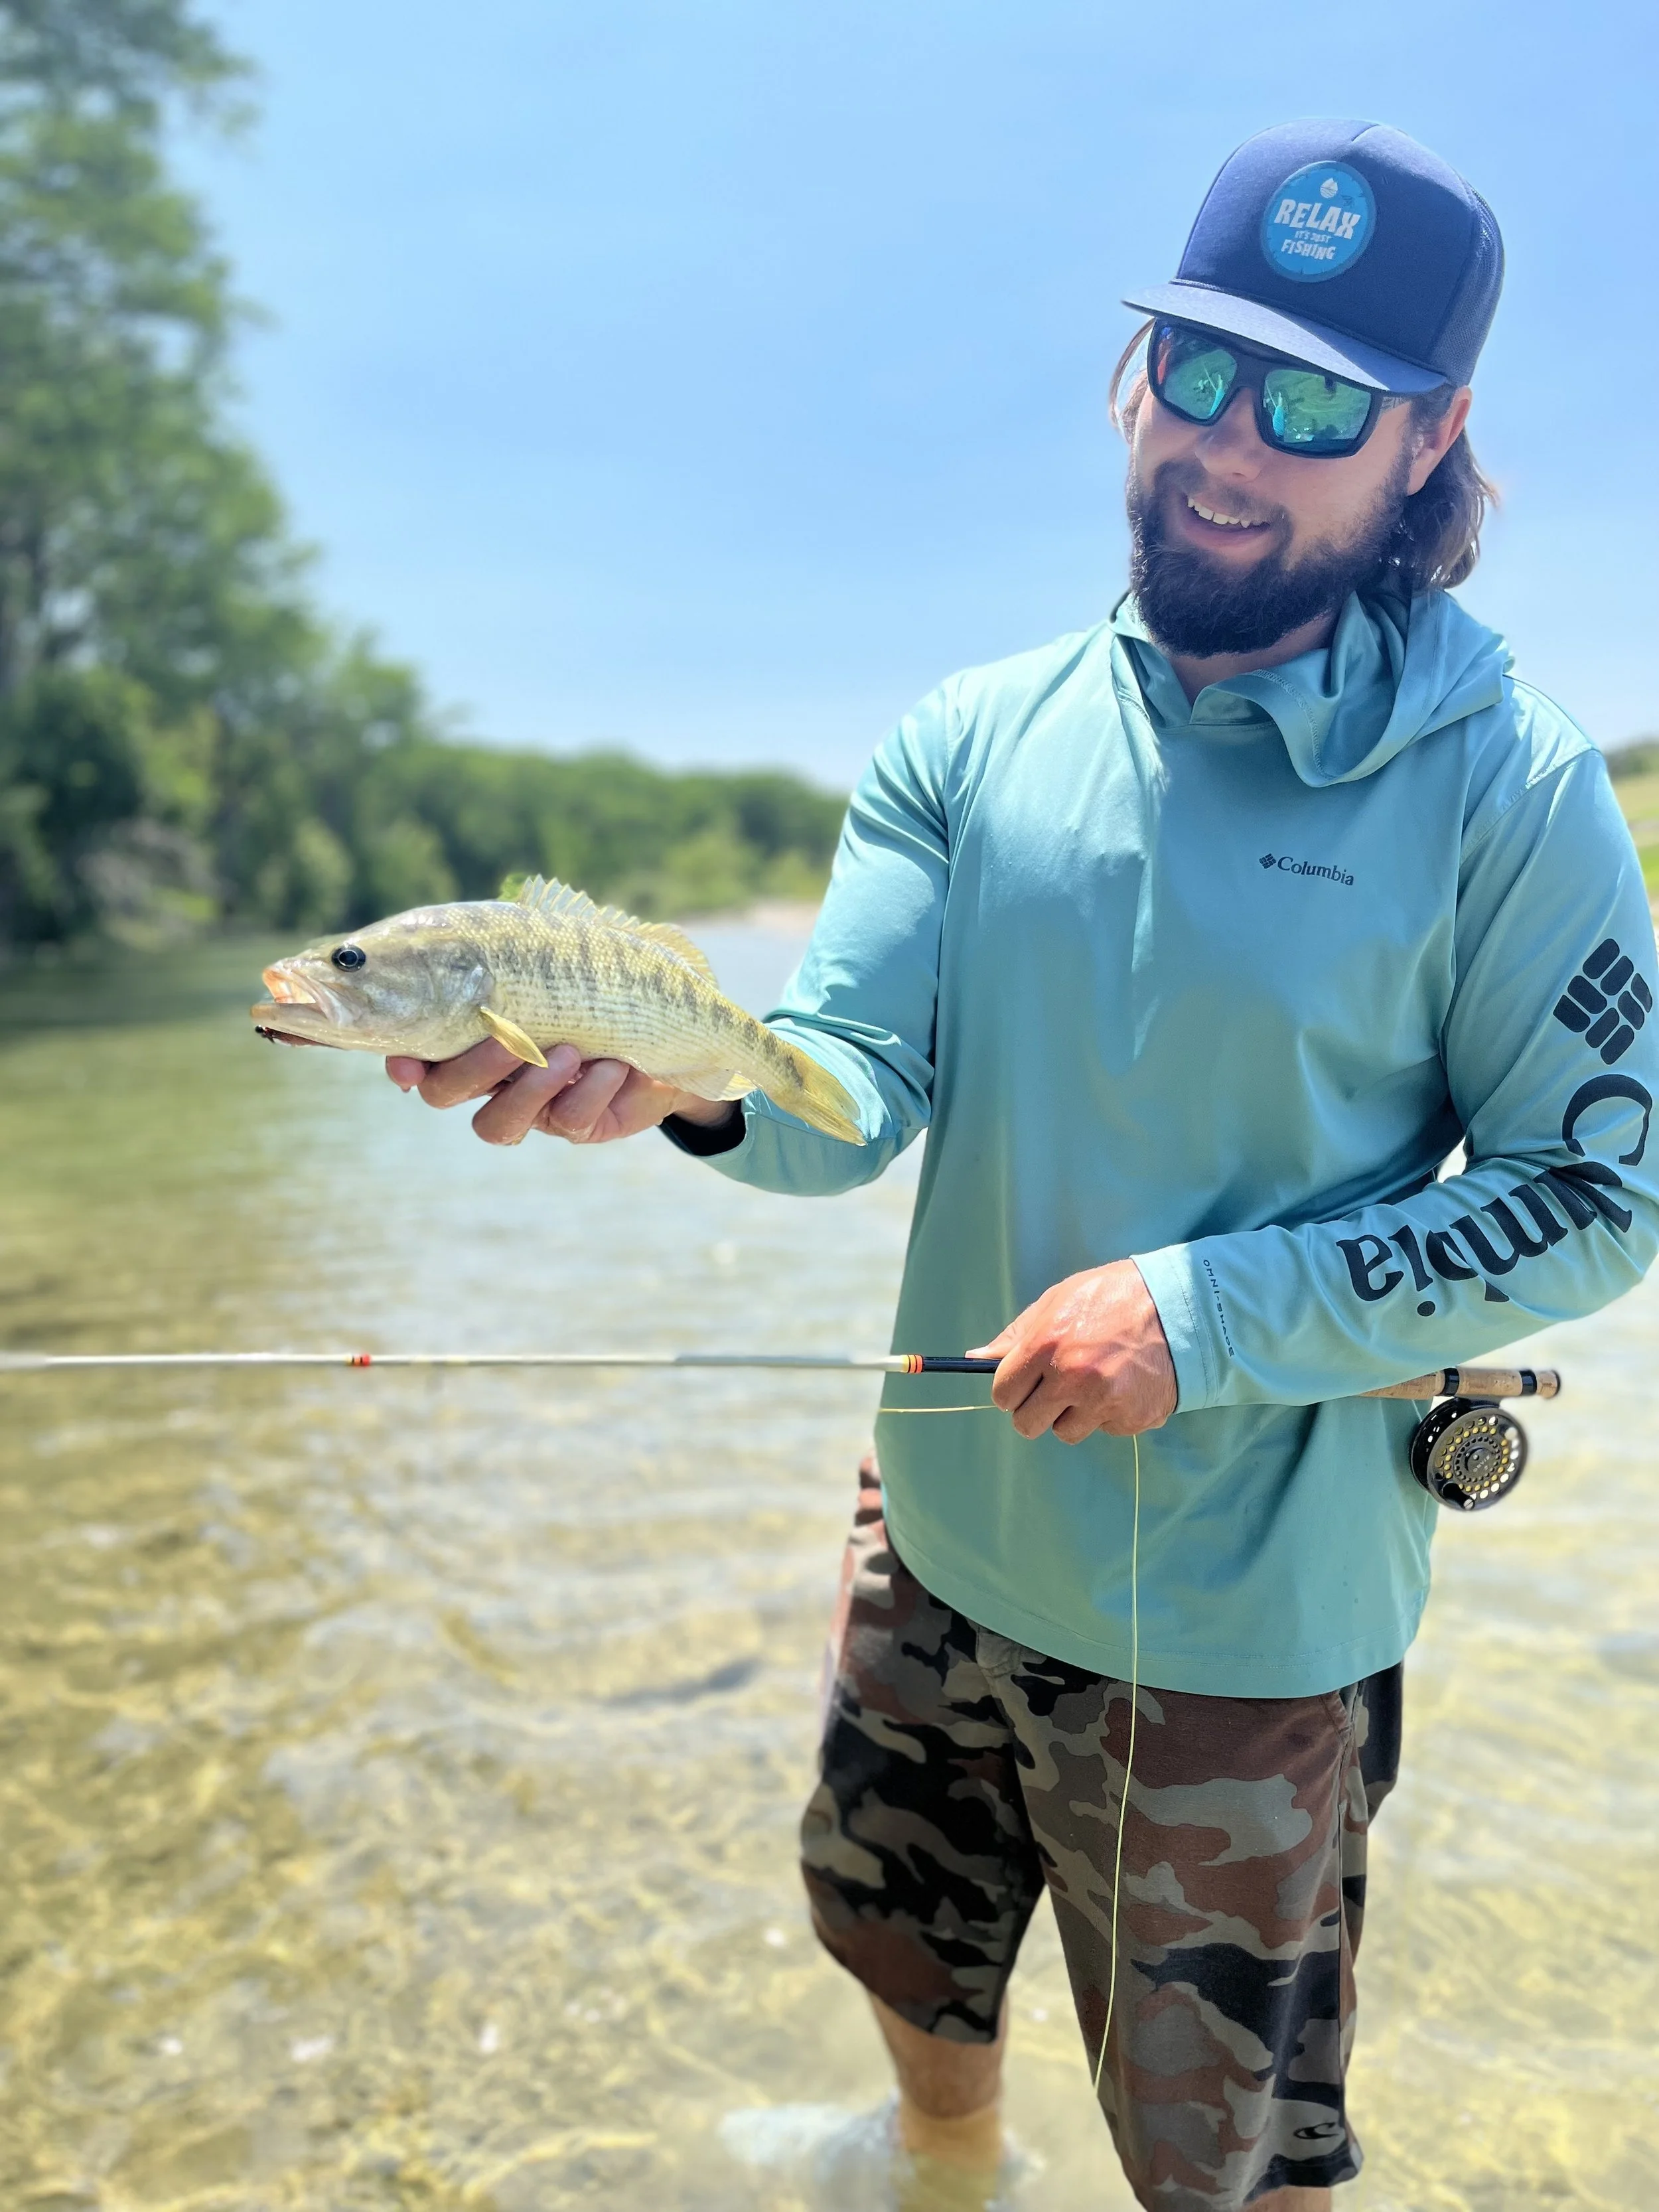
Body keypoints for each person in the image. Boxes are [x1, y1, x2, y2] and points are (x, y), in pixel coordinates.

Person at [388, 121, 1659, 2212]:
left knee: (1232, 2158)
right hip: (939, 1524)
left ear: (1426, 442)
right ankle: (933, 2161)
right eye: (1201, 369)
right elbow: (846, 1092)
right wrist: (697, 1084)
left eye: (1320, 402)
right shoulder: (968, 734)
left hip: (1250, 1627)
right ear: (1125, 377)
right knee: (892, 1932)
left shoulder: (1507, 782)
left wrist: (1204, 1308)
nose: (1234, 447)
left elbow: (1600, 1188)